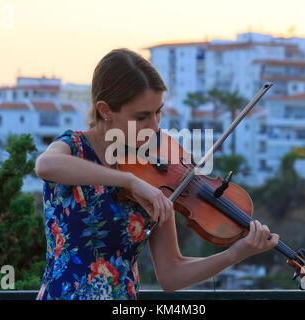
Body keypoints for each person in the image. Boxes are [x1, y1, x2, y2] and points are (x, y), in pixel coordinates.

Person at [34, 48, 279, 300]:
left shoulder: (159, 171)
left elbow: (171, 274)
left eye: (158, 112)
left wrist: (235, 254)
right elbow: (45, 166)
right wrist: (130, 181)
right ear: (105, 110)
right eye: (141, 117)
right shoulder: (73, 147)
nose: (155, 126)